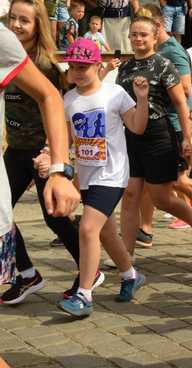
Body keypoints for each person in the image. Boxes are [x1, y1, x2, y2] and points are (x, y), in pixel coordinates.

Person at [56, 39, 149, 317]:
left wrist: (142, 99)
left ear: (98, 65)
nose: (79, 71)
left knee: (87, 229)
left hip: (112, 174)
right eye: (73, 66)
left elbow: (137, 126)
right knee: (106, 232)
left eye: (84, 66)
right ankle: (131, 274)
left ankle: (84, 294)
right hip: (86, 176)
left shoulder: (115, 93)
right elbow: (66, 139)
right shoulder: (68, 100)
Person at [1, 0, 83, 304]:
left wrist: (53, 153)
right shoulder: (5, 54)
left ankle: (87, 272)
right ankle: (26, 274)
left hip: (41, 151)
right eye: (13, 18)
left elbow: (56, 107)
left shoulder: (45, 65)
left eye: (25, 20)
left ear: (39, 27)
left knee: (55, 215)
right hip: (16, 149)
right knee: (3, 214)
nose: (17, 25)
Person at [116, 16, 192, 261]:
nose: (138, 39)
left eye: (143, 34)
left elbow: (181, 103)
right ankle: (125, 257)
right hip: (131, 136)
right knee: (130, 195)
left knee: (162, 198)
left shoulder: (163, 64)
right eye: (134, 34)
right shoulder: (126, 67)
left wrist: (187, 137)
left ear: (155, 37)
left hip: (158, 136)